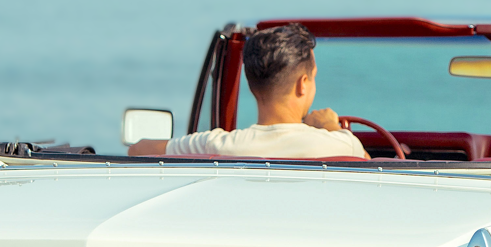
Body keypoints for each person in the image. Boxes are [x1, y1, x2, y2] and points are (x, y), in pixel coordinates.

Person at [130, 24, 368, 158]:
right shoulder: (342, 145)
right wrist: (331, 127)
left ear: (250, 80)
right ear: (302, 83)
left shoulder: (216, 145)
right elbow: (371, 168)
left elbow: (137, 150)